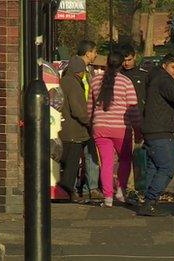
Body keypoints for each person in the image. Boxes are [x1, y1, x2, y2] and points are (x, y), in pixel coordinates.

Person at [138, 54, 174, 216]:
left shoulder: (154, 79)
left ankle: (147, 203)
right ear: (164, 66)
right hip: (160, 131)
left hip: (151, 130)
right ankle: (150, 200)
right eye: (173, 67)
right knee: (168, 167)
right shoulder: (164, 80)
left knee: (154, 167)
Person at [88, 51, 142, 207]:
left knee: (106, 163)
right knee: (125, 160)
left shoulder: (95, 80)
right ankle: (120, 190)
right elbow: (133, 109)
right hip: (121, 128)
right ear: (121, 65)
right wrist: (137, 130)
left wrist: (90, 123)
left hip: (100, 127)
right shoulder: (126, 82)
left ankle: (108, 197)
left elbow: (89, 107)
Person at [58, 56, 91, 201]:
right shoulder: (74, 85)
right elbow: (78, 110)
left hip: (63, 129)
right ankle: (68, 190)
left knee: (63, 161)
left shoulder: (63, 82)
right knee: (71, 164)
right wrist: (88, 122)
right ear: (80, 71)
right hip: (74, 131)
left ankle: (64, 190)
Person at [76, 40, 104, 201]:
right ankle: (89, 187)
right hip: (83, 118)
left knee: (90, 153)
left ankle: (90, 187)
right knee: (87, 153)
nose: (95, 55)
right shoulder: (79, 70)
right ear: (87, 53)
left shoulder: (87, 71)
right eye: (94, 52)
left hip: (87, 117)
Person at [120, 44, 148, 114]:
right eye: (124, 60)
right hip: (122, 113)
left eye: (129, 60)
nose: (126, 63)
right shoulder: (118, 75)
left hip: (140, 113)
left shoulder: (144, 75)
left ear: (134, 57)